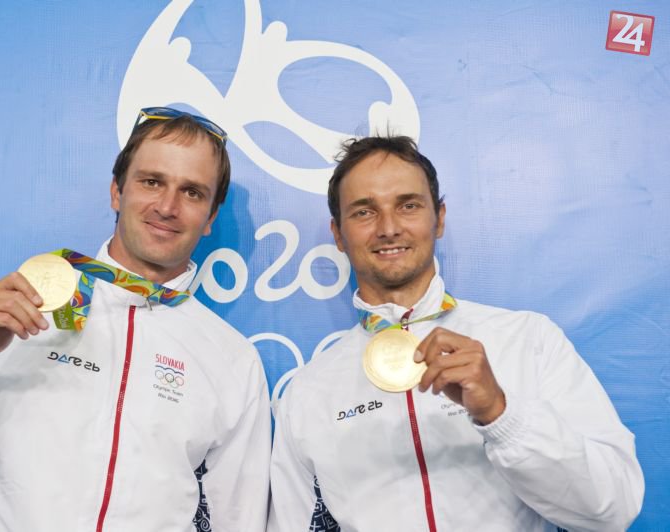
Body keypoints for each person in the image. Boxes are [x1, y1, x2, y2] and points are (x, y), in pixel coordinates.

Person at [0, 107, 271, 531]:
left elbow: (238, 522)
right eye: (151, 181)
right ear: (117, 191)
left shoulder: (232, 359)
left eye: (192, 192)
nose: (167, 206)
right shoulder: (14, 306)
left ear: (210, 218)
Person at [267, 135, 644, 532]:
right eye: (364, 212)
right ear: (339, 234)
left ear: (440, 218)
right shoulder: (309, 391)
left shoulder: (528, 340)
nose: (389, 228)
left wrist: (500, 414)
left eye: (408, 205)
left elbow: (613, 509)